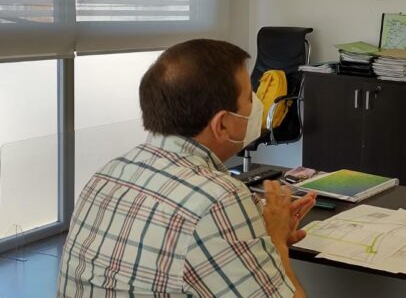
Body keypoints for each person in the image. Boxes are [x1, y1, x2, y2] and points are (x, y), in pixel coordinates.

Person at [57, 39, 316, 298]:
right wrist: (276, 242)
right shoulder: (218, 199)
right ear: (222, 124)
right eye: (250, 97)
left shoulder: (108, 174)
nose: (257, 105)